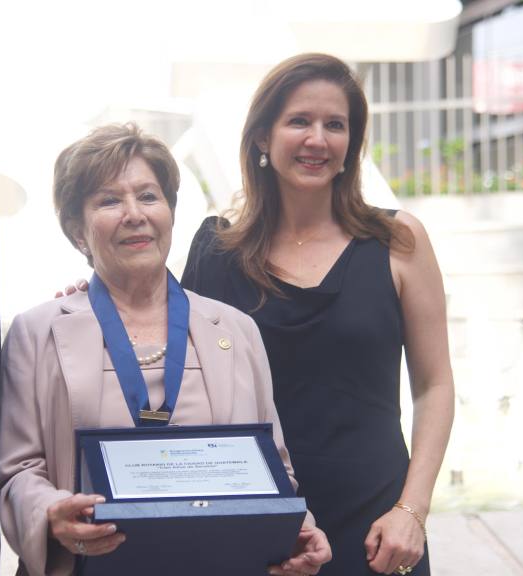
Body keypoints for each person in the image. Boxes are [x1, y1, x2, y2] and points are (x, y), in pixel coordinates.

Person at [0, 124, 332, 576]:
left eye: (149, 196)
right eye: (109, 200)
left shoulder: (236, 330)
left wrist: (299, 528)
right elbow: (17, 471)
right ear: (78, 230)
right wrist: (53, 512)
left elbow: (274, 468)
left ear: (170, 211)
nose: (134, 214)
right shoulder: (36, 332)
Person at [181, 53, 454, 576]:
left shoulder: (397, 241)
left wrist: (411, 511)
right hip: (259, 523)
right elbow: (177, 375)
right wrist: (90, 300)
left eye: (335, 125)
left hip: (379, 529)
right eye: (299, 121)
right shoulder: (216, 251)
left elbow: (435, 385)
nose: (318, 139)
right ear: (263, 137)